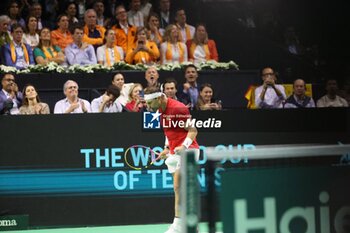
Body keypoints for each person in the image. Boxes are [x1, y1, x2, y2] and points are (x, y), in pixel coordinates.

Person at [144, 86, 199, 233]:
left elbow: (193, 131)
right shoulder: (161, 111)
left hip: (189, 151)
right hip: (174, 152)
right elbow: (169, 132)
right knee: (179, 189)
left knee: (179, 185)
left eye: (150, 103)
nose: (148, 107)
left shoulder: (178, 109)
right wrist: (167, 148)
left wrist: (184, 146)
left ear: (159, 98)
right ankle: (187, 225)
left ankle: (178, 225)